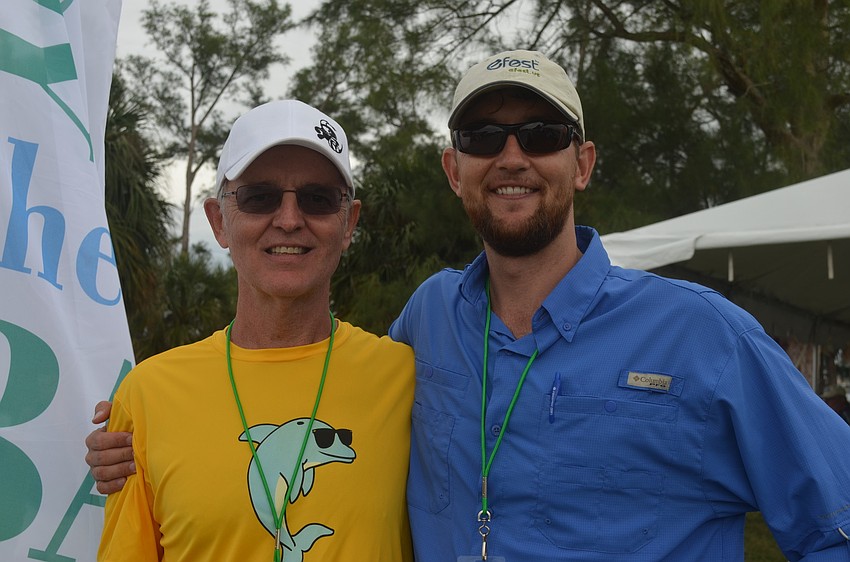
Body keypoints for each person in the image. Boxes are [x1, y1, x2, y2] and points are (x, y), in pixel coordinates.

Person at [88, 51, 850, 560]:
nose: (512, 156)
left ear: (581, 163)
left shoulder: (701, 334)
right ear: (454, 169)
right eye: (484, 135)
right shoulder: (426, 326)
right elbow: (292, 375)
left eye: (541, 133)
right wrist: (132, 439)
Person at [94, 99, 414, 561]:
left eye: (318, 199)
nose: (289, 219)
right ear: (219, 220)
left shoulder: (409, 380)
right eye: (259, 197)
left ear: (349, 224)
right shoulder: (146, 396)